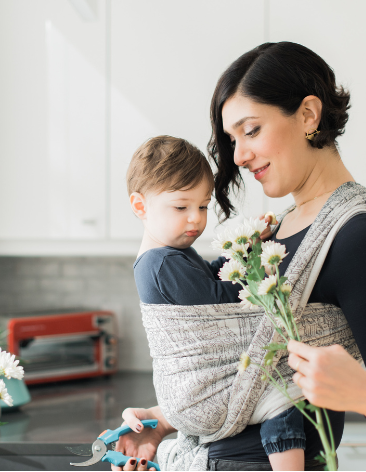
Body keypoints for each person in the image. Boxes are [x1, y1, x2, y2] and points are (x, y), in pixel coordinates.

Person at [110, 42, 366, 471]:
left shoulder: (358, 236)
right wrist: (165, 420)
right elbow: (247, 368)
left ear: (308, 116)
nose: (238, 155)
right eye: (232, 139)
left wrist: (362, 390)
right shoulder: (274, 231)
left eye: (251, 130)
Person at [125, 135, 306, 471]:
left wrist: (245, 248)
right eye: (182, 207)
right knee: (282, 399)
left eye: (203, 206)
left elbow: (211, 278)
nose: (196, 218)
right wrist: (261, 273)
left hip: (197, 400)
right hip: (205, 394)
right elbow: (221, 304)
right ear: (140, 206)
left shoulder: (174, 254)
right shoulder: (161, 262)